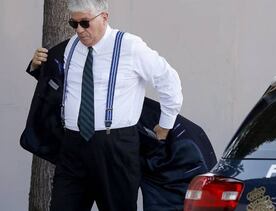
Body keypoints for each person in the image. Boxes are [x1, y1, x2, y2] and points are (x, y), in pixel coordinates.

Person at [29, 0, 183, 210]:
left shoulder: (129, 46)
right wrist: (36, 65)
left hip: (115, 148)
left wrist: (165, 125)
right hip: (73, 146)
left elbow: (168, 80)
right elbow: (55, 84)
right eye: (73, 24)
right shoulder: (71, 47)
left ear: (104, 17)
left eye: (85, 23)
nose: (80, 30)